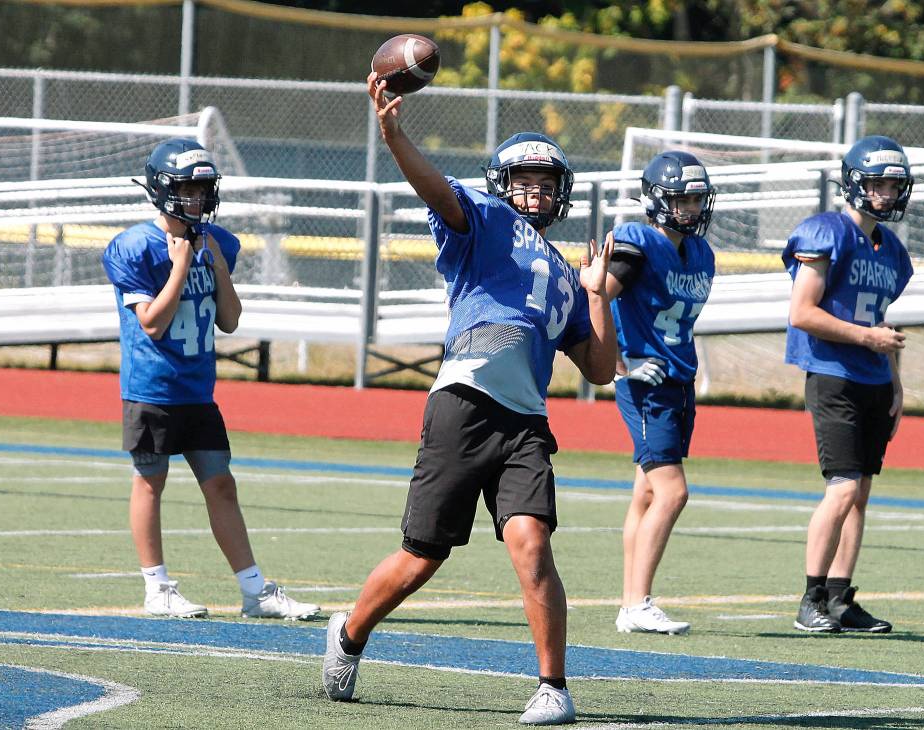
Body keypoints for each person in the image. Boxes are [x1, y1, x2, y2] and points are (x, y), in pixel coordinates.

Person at [321, 73, 616, 726]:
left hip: (526, 424)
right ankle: (349, 634)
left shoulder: (568, 276)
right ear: (504, 185)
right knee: (420, 557)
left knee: (532, 544)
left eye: (546, 183)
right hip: (465, 400)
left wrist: (598, 294)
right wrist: (395, 136)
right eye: (524, 180)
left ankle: (553, 688)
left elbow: (600, 368)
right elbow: (433, 186)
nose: (534, 191)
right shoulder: (484, 221)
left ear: (560, 194)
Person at [101, 138, 320, 621]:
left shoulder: (220, 243)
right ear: (162, 189)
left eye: (203, 189)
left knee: (221, 484)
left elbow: (231, 320)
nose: (198, 199)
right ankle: (156, 586)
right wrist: (179, 267)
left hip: (198, 390)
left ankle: (254, 591)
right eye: (187, 189)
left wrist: (218, 267)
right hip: (153, 387)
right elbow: (153, 323)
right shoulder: (135, 246)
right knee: (150, 482)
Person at [783, 135, 914, 634]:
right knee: (840, 490)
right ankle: (811, 597)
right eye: (879, 183)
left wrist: (897, 383)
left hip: (874, 378)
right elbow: (802, 312)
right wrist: (866, 338)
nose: (888, 192)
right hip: (834, 374)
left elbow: (884, 319)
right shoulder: (825, 231)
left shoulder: (891, 249)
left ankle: (840, 598)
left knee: (859, 492)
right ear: (857, 184)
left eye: (894, 184)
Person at [604, 151, 716, 636]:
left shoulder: (701, 253)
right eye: (681, 198)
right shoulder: (638, 241)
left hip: (677, 379)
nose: (690, 207)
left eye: (695, 198)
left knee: (646, 492)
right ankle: (637, 602)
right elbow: (595, 294)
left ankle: (629, 603)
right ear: (655, 199)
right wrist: (615, 364)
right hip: (647, 382)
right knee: (673, 492)